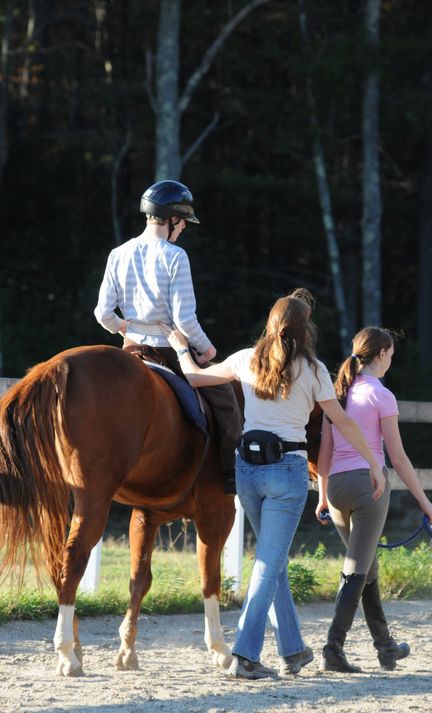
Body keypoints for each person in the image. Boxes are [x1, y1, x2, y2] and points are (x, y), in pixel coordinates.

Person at [163, 289, 387, 680]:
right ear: (305, 329)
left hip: (247, 470)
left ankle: (293, 650)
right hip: (287, 472)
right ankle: (246, 655)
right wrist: (374, 464)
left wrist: (180, 347)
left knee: (274, 561)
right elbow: (343, 423)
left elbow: (195, 378)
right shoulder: (315, 371)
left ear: (271, 323)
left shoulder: (245, 359)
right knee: (269, 564)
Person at [94, 179, 242, 494]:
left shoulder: (118, 253)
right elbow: (185, 319)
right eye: (184, 221)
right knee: (227, 401)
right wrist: (207, 348)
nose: (185, 227)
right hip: (168, 350)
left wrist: (125, 328)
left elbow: (103, 313)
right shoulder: (175, 256)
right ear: (172, 218)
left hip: (130, 348)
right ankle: (230, 476)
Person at [316, 326, 432, 673]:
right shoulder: (381, 395)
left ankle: (386, 647)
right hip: (369, 488)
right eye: (391, 356)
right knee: (357, 569)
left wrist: (322, 496)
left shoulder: (338, 394)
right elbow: (397, 458)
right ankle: (333, 649)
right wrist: (425, 502)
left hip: (337, 486)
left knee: (367, 568)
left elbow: (324, 455)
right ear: (381, 353)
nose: (390, 363)